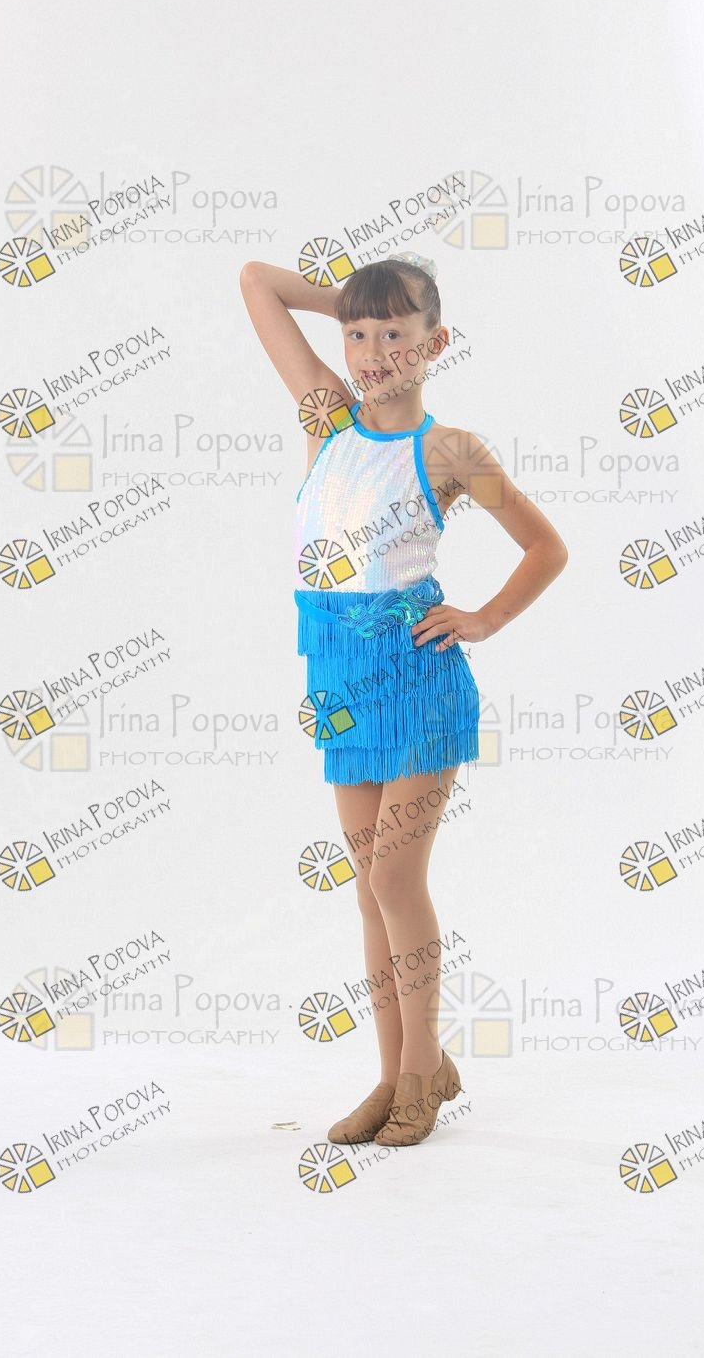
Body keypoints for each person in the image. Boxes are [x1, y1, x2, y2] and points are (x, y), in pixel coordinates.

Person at [238, 252, 568, 1147]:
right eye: (358, 333)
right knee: (366, 889)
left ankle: (423, 1069)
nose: (373, 351)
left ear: (435, 342)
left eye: (395, 332)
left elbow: (545, 547)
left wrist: (485, 618)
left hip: (418, 680)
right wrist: (349, 298)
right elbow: (258, 281)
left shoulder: (450, 450)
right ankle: (395, 1075)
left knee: (394, 876)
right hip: (338, 681)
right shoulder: (326, 417)